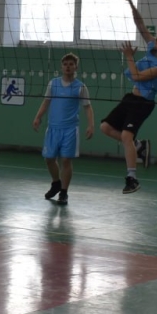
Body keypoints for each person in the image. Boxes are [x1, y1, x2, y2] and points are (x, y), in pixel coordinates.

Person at [99, 0, 157, 194]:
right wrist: (131, 4)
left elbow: (137, 76)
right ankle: (139, 145)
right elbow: (141, 25)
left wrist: (128, 56)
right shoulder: (152, 47)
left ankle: (132, 179)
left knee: (126, 136)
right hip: (131, 98)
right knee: (105, 127)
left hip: (143, 104)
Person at [31, 54, 95, 205]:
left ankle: (64, 193)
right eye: (65, 64)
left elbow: (87, 107)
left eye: (71, 64)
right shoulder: (53, 84)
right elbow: (46, 102)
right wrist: (38, 117)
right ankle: (56, 183)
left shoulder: (80, 87)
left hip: (70, 129)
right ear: (61, 66)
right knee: (49, 159)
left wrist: (91, 125)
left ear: (76, 67)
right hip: (53, 128)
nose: (68, 67)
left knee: (66, 160)